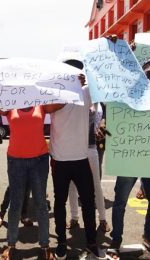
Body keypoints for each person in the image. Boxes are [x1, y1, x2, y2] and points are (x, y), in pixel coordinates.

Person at [106, 59, 150, 258]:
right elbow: (112, 116)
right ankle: (116, 240)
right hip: (129, 157)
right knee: (120, 201)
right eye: (149, 73)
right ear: (141, 72)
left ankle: (149, 236)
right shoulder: (123, 95)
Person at [49, 61, 106, 259]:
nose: (74, 76)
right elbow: (48, 108)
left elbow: (107, 83)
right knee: (59, 202)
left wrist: (114, 47)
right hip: (60, 158)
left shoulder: (86, 91)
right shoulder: (54, 91)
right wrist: (66, 90)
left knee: (88, 202)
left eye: (77, 73)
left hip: (81, 157)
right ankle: (62, 242)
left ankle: (91, 242)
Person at [0, 104, 52, 260]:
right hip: (16, 160)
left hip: (39, 160)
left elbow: (59, 104)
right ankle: (11, 244)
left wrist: (74, 87)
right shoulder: (10, 104)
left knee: (41, 204)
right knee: (15, 204)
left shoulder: (41, 104)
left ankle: (45, 244)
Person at [66, 73, 110, 233]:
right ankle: (74, 217)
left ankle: (103, 219)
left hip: (91, 148)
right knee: (72, 185)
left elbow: (106, 122)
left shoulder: (102, 103)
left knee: (96, 185)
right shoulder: (74, 97)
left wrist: (104, 129)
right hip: (73, 148)